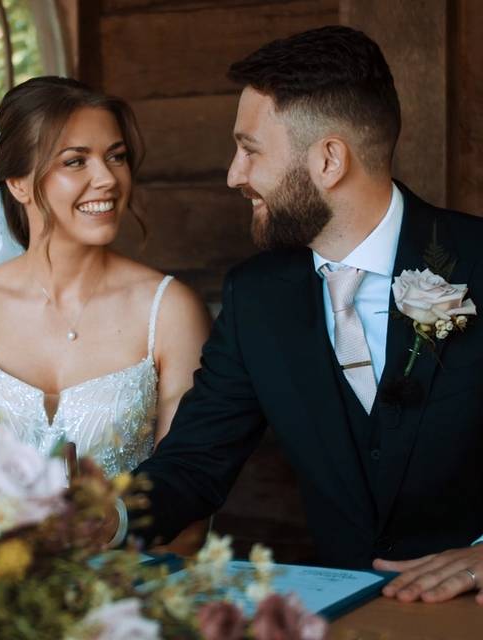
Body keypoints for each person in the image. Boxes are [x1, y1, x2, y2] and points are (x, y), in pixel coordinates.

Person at [123, 25, 483, 605]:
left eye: (250, 149)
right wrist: (106, 517)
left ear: (329, 159)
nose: (234, 174)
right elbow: (193, 464)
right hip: (337, 618)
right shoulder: (256, 298)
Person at [0, 78, 210, 550]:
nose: (108, 178)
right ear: (19, 182)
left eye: (116, 156)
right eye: (75, 161)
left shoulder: (170, 312)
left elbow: (190, 515)